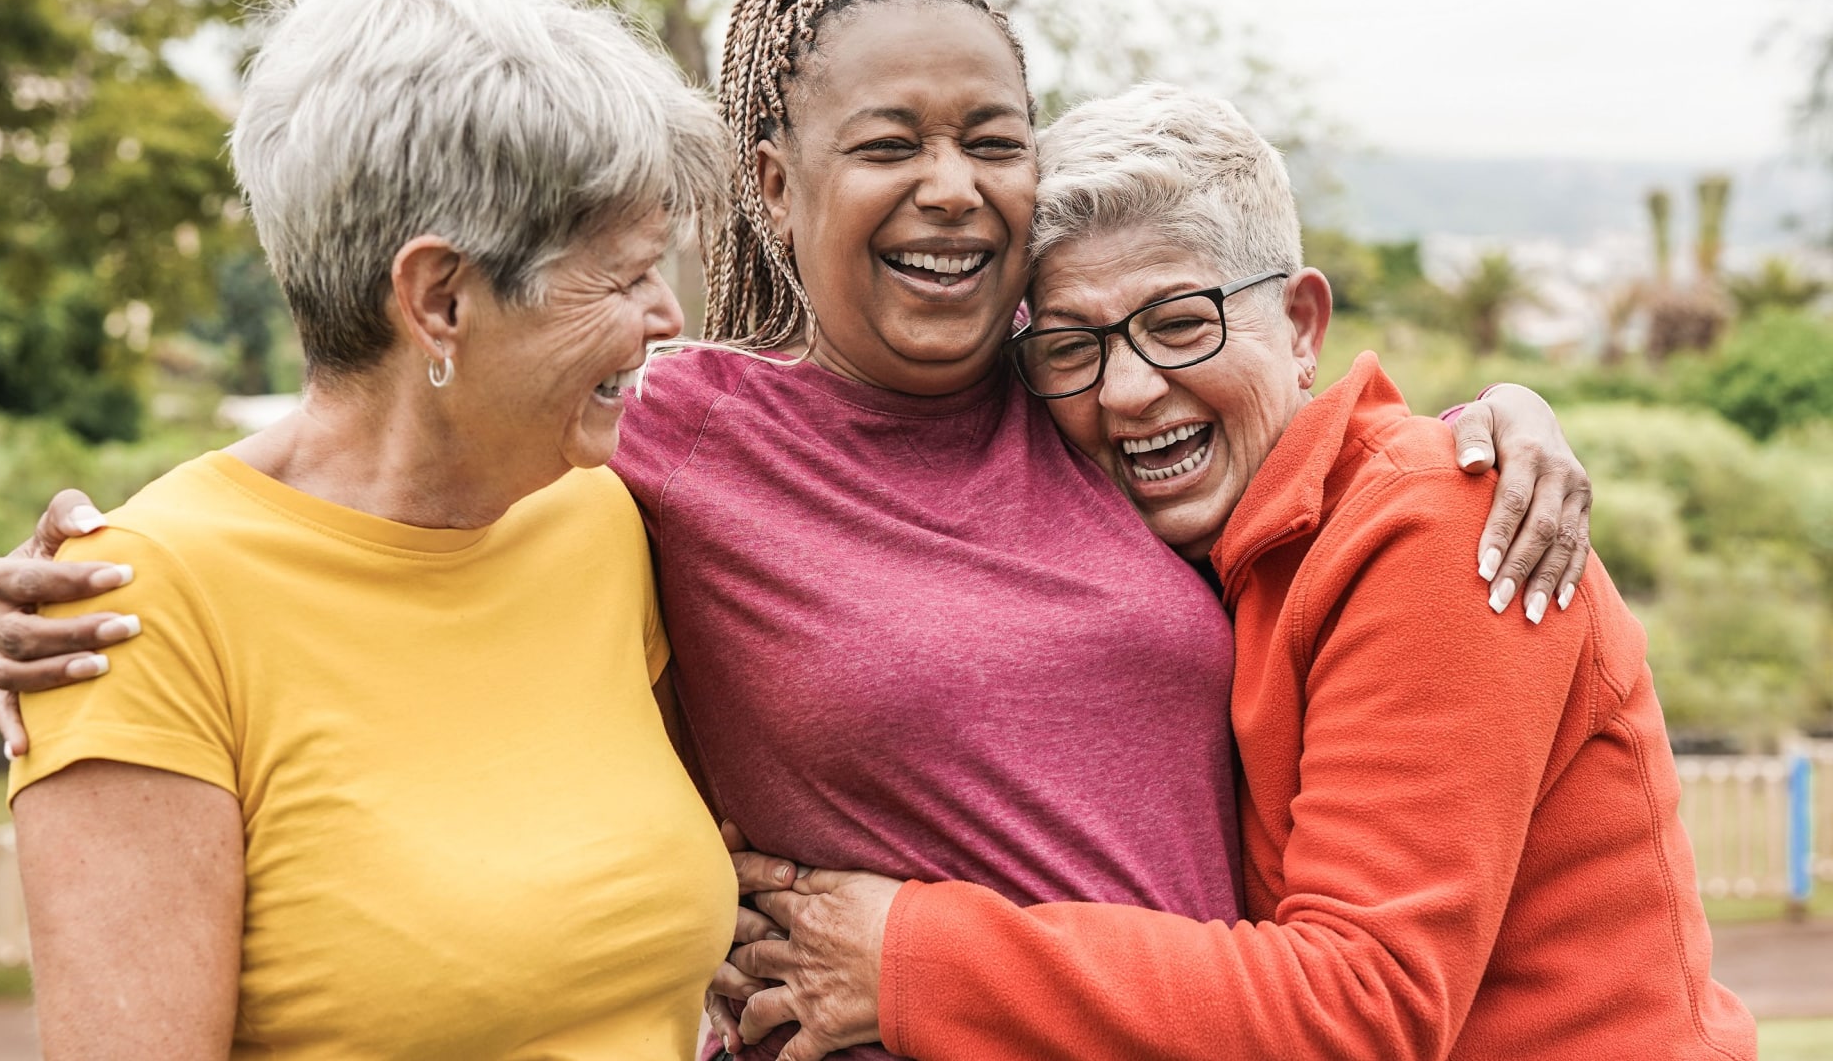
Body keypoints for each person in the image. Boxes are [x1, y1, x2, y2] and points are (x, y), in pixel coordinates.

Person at [0, 0, 1598, 1059]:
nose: (951, 188)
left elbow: (1259, 406)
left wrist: (1481, 428)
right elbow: (386, 434)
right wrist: (118, 563)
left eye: (991, 141)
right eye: (884, 144)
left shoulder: (1073, 398)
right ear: (772, 185)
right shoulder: (671, 446)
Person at [715, 85, 1757, 1061]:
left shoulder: (1441, 530)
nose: (1128, 391)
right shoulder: (1189, 547)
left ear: (1302, 324)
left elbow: (1364, 1002)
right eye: (1074, 347)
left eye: (1180, 324)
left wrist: (906, 953)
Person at [0, 0, 738, 1057]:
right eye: (621, 276)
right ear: (439, 300)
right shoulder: (132, 607)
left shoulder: (601, 512)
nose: (665, 316)